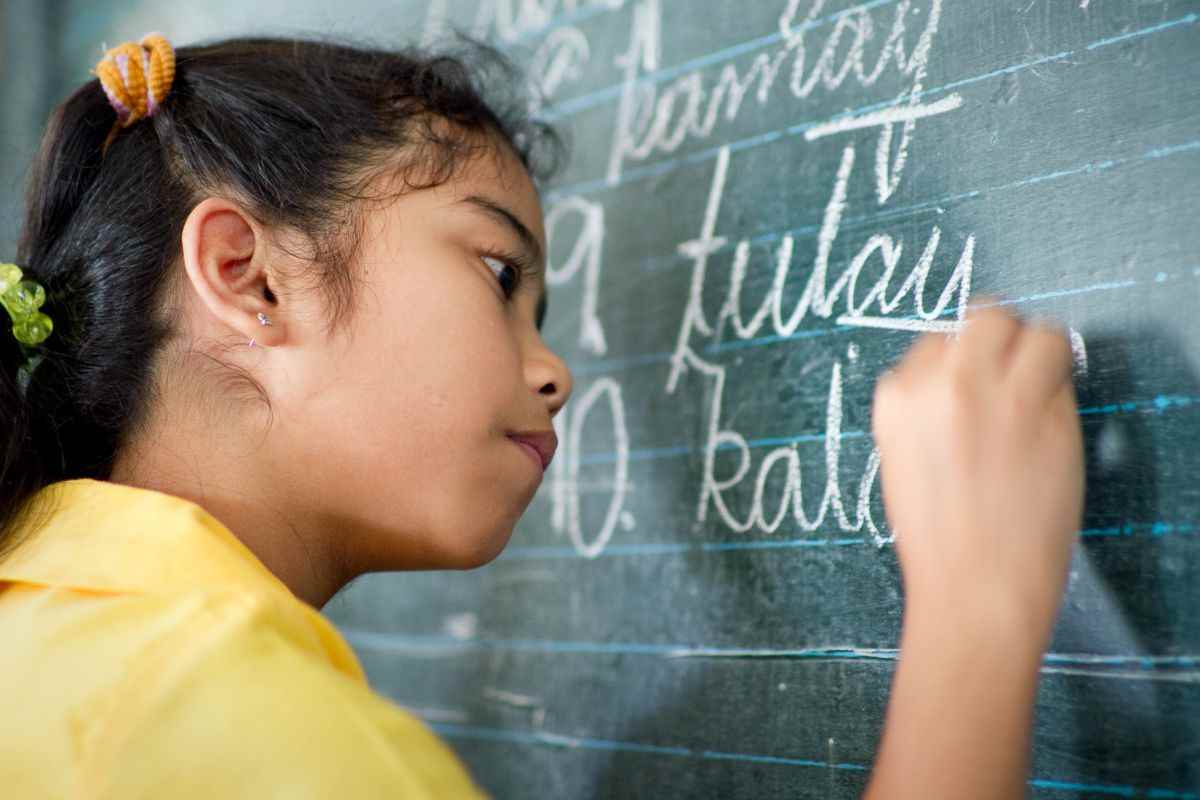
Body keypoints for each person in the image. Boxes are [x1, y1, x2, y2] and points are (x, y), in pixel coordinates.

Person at [0, 32, 1082, 799]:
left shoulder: (50, 629)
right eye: (497, 270)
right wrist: (978, 609)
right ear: (249, 276)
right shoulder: (229, 722)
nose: (554, 368)